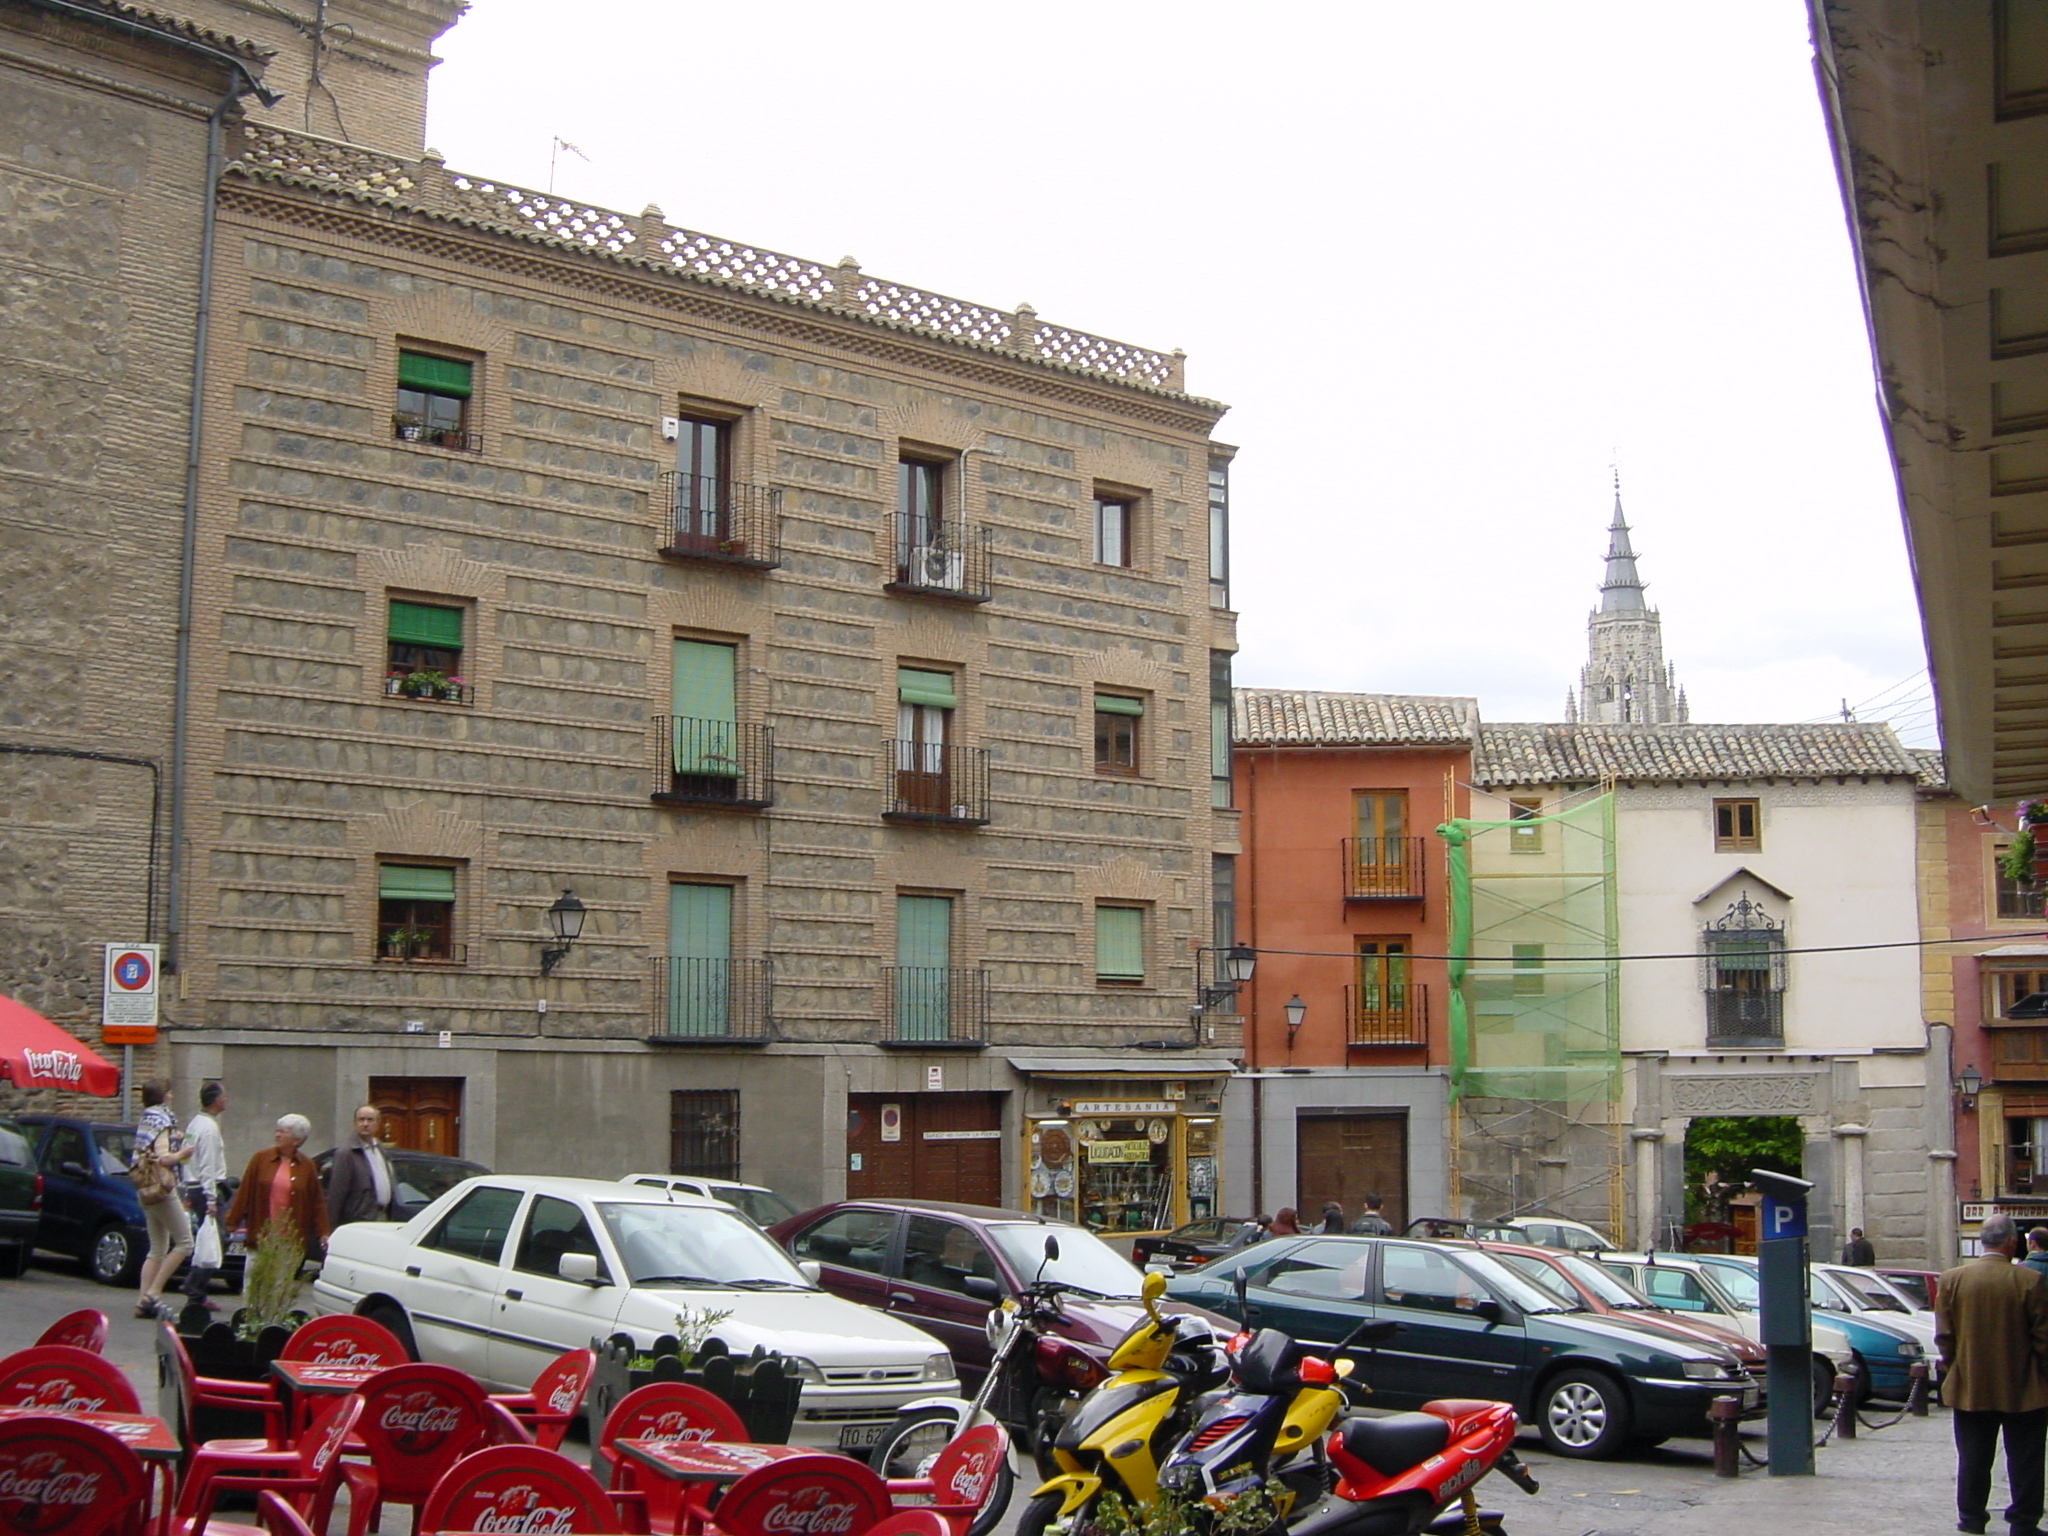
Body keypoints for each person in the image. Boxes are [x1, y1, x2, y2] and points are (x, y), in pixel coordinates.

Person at [1936, 1212, 2048, 1536]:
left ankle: (1971, 1519)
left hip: (1970, 1383)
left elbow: (1944, 1336)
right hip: (2024, 1385)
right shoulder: (2029, 1281)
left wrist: (1956, 1363)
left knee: (1972, 1457)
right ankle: (2024, 1522)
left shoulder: (1952, 1279)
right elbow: (2042, 1337)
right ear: (2012, 1242)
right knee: (2026, 1459)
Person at [223, 1114, 331, 1267]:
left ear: (297, 1140)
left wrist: (323, 1232)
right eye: (277, 1131)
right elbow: (244, 1192)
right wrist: (231, 1222)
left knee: (280, 1284)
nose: (277, 1135)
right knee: (254, 1281)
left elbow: (317, 1202)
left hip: (290, 1239)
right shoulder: (260, 1159)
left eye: (282, 1132)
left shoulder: (307, 1166)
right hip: (261, 1234)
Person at [133, 1079, 193, 1319]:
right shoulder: (162, 1122)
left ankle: (141, 1302)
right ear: (164, 1096)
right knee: (185, 1243)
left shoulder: (146, 1120)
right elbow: (163, 1159)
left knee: (157, 1247)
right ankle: (154, 1293)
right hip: (162, 1188)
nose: (172, 1096)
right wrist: (183, 1153)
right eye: (170, 1092)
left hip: (144, 1188)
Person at [180, 1082, 229, 1307]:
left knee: (206, 1238)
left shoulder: (194, 1124)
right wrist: (211, 1198)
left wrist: (186, 1185)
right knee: (217, 1238)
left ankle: (195, 1288)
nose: (226, 1100)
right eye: (223, 1096)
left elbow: (186, 1157)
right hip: (205, 1187)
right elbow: (208, 1165)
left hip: (194, 1186)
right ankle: (195, 1286)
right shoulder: (208, 1128)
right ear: (215, 1100)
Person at [327, 1105, 403, 1226]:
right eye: (361, 1120)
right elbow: (337, 1194)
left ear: (378, 1124)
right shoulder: (347, 1153)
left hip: (382, 1217)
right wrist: (331, 1228)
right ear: (354, 1124)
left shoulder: (380, 1149)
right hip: (358, 1221)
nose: (365, 1124)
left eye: (370, 1120)